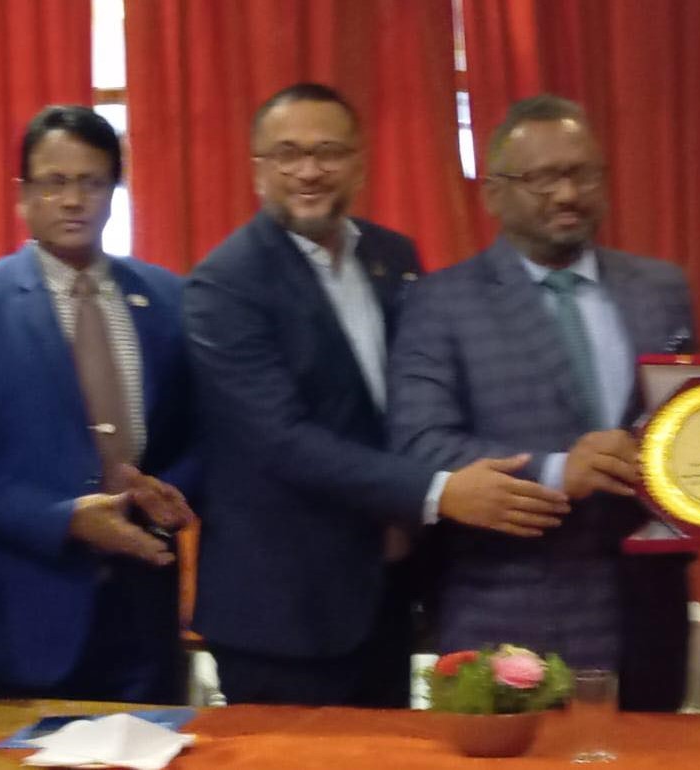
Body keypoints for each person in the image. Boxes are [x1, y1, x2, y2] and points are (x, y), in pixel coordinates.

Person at [184, 83, 570, 708]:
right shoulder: (225, 284)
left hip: (387, 589)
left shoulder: (392, 255)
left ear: (359, 164)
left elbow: (420, 395)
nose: (309, 171)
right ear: (258, 170)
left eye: (329, 151)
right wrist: (441, 491)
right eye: (288, 154)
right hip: (285, 611)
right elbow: (282, 442)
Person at [388, 95, 696, 711]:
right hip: (508, 610)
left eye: (583, 174)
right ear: (493, 194)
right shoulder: (440, 302)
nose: (567, 194)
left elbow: (690, 417)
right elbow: (421, 444)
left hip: (649, 610)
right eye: (542, 178)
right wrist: (558, 471)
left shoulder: (661, 288)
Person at [0, 105, 197, 703]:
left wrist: (171, 490)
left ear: (115, 192)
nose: (72, 200)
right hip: (21, 612)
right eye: (54, 182)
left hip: (142, 612)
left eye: (91, 182)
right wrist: (61, 519)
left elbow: (203, 432)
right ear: (22, 195)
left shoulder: (168, 298)